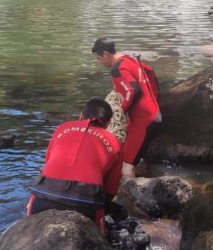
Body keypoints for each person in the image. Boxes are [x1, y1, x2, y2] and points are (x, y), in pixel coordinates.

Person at [27, 98, 127, 236]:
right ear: (108, 123)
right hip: (84, 205)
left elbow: (46, 166)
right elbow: (110, 191)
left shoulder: (61, 128)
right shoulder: (114, 143)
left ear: (81, 115)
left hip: (42, 198)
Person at [92, 37, 161, 180]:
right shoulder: (131, 59)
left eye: (99, 58)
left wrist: (119, 111)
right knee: (130, 157)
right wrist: (154, 99)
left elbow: (133, 91)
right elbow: (150, 71)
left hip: (142, 122)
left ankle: (130, 200)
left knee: (125, 167)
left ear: (106, 54)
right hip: (153, 115)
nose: (99, 62)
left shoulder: (117, 70)